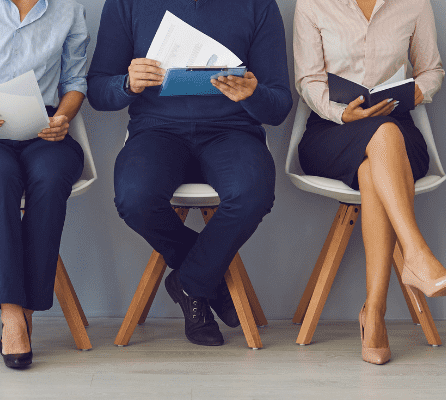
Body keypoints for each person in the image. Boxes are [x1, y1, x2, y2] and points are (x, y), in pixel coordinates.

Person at [87, 0, 292, 347]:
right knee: (134, 197)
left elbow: (279, 105)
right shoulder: (127, 3)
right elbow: (97, 91)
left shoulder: (258, 5)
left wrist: (252, 94)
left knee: (252, 192)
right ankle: (209, 279)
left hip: (232, 131)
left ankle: (190, 283)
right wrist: (127, 83)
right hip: (157, 130)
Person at [294, 0, 446, 365]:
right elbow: (308, 79)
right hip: (332, 130)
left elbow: (431, 70)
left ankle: (374, 312)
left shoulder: (414, 3)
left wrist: (419, 92)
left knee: (376, 161)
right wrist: (342, 112)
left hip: (398, 131)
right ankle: (416, 256)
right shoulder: (312, 4)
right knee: (379, 145)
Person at [0, 0, 89, 369]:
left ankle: (28, 308)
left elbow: (74, 81)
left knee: (51, 176)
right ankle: (12, 314)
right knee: (1, 176)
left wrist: (63, 117)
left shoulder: (69, 7)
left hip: (44, 131)